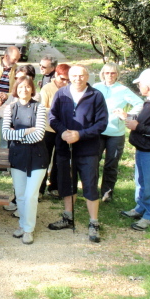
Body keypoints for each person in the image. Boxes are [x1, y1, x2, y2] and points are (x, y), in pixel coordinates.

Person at [48, 65, 108, 243]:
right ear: (69, 76)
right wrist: (63, 132)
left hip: (88, 149)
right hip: (65, 147)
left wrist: (80, 135)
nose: (78, 78)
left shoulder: (96, 95)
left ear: (87, 76)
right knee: (67, 183)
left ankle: (94, 223)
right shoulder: (61, 93)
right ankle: (68, 217)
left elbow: (101, 123)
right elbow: (52, 117)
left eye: (81, 75)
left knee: (89, 185)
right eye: (74, 75)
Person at [2, 76, 48, 245]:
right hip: (17, 156)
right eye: (20, 87)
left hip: (37, 156)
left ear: (32, 89)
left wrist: (18, 135)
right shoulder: (10, 108)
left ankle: (29, 230)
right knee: (20, 195)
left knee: (30, 195)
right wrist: (27, 131)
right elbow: (5, 134)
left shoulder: (40, 108)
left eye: (27, 87)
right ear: (16, 89)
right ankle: (22, 225)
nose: (24, 90)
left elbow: (39, 135)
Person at [93, 63, 143, 202]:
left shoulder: (123, 89)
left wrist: (127, 115)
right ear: (102, 73)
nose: (110, 75)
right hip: (98, 131)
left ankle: (107, 193)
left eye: (113, 73)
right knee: (93, 161)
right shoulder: (96, 87)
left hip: (116, 133)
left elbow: (140, 103)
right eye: (107, 73)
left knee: (111, 163)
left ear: (117, 74)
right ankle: (92, 190)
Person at [122, 69, 150, 231]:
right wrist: (127, 117)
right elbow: (145, 121)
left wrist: (137, 126)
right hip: (143, 148)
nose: (138, 86)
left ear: (147, 85)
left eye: (139, 84)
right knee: (142, 181)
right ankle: (141, 208)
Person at [38, 63, 71, 198]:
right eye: (62, 79)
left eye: (67, 80)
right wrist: (55, 111)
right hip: (48, 128)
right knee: (44, 159)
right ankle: (40, 189)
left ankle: (55, 187)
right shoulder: (47, 88)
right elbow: (42, 108)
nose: (65, 82)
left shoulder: (70, 89)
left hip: (62, 129)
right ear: (56, 75)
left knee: (60, 159)